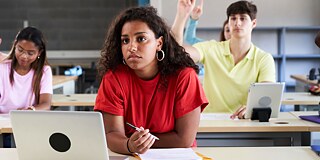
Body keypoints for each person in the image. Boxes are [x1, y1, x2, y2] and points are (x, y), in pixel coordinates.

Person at [94, 6, 208, 154]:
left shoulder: (184, 77)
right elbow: (111, 134)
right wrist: (129, 145)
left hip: (176, 156)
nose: (132, 47)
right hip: (131, 156)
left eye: (141, 39)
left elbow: (184, 139)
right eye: (125, 41)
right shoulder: (114, 78)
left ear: (159, 43)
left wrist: (138, 143)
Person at [172, 0, 275, 119]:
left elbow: (267, 94)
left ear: (254, 23)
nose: (237, 23)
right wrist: (181, 16)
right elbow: (176, 53)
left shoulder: (264, 58)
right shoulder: (211, 48)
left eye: (243, 18)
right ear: (228, 22)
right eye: (233, 18)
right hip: (211, 121)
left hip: (244, 121)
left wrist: (253, 107)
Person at [0, 27, 52, 113]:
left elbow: (46, 104)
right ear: (15, 45)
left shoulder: (44, 71)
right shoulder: (2, 67)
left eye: (30, 53)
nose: (24, 56)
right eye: (20, 50)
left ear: (39, 52)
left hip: (28, 120)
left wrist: (30, 110)